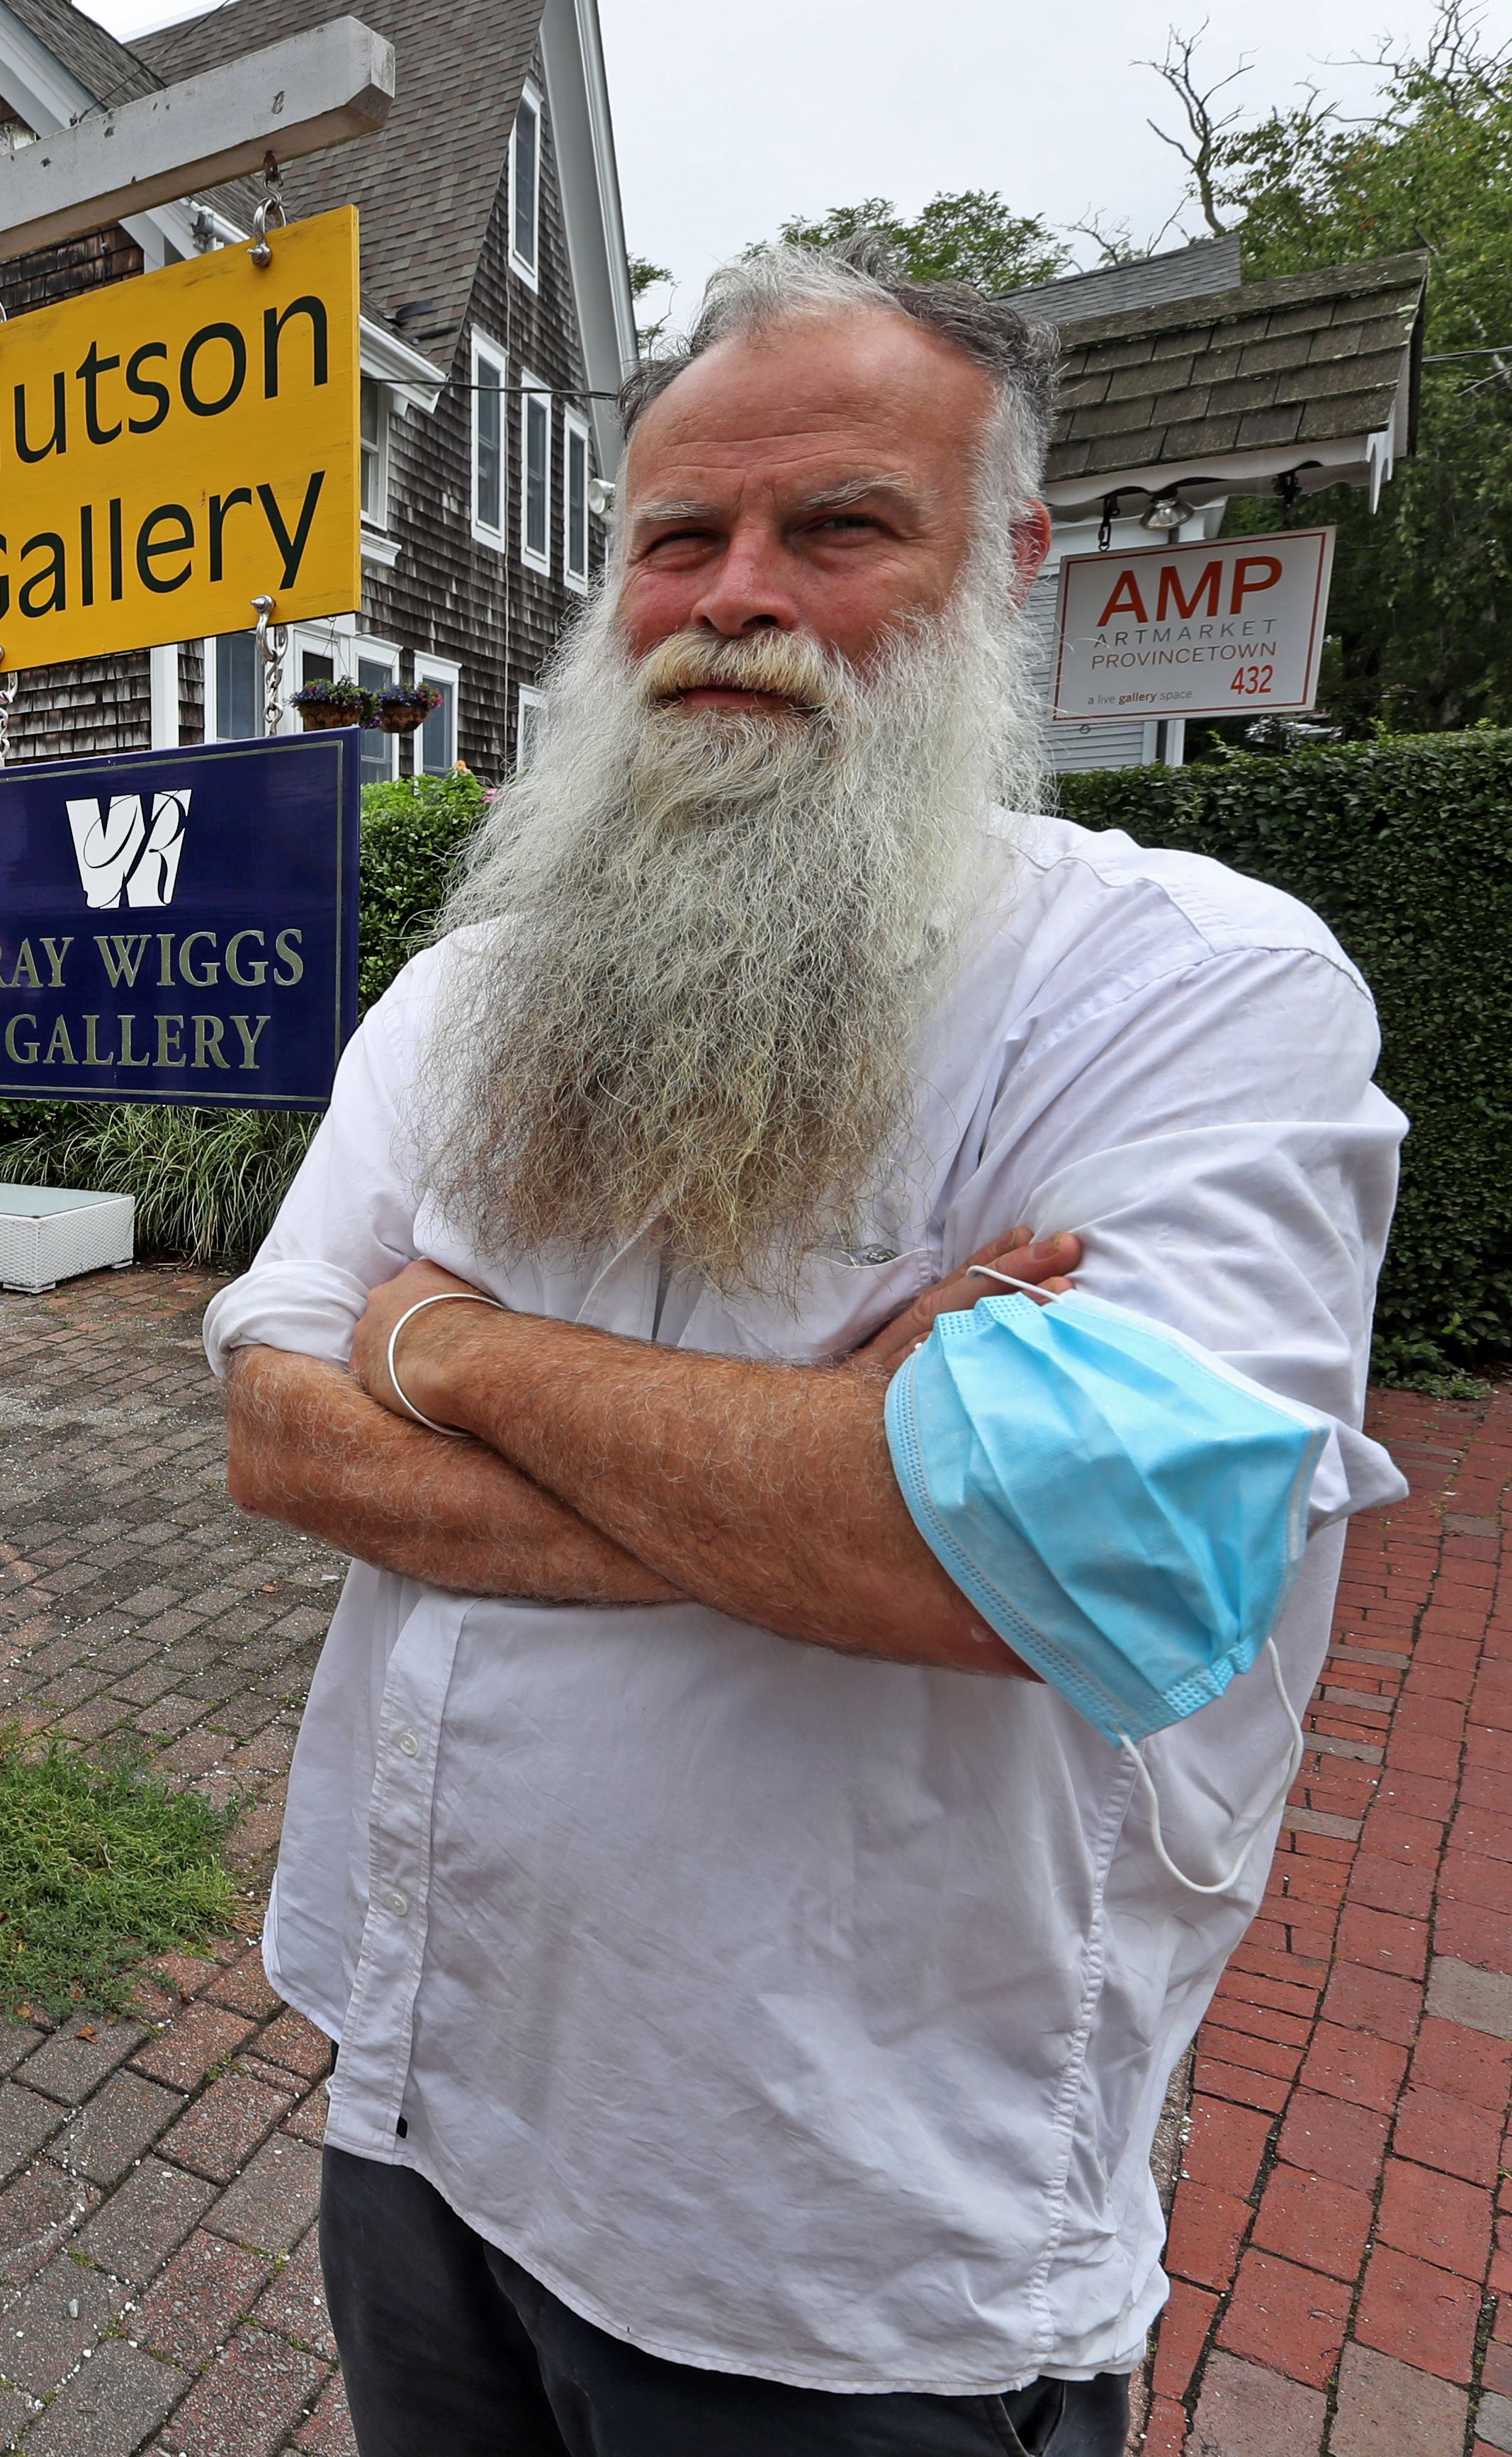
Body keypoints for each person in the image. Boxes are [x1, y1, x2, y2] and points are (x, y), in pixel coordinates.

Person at [206, 242, 1403, 2452]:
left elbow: (1050, 1568)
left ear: (1003, 568)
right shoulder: (471, 998)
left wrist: (450, 1350)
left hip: (834, 2245)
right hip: (422, 2094)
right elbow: (274, 1433)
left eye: (835, 526)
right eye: (675, 539)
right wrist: (828, 1460)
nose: (731, 595)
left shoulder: (1183, 993)